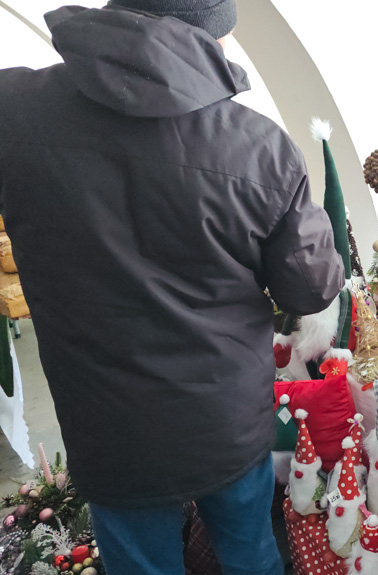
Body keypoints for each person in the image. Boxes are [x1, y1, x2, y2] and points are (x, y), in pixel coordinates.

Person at [0, 1, 343, 573]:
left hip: (107, 422)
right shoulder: (258, 146)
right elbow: (312, 288)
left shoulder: (14, 110)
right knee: (250, 555)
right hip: (224, 416)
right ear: (209, 34)